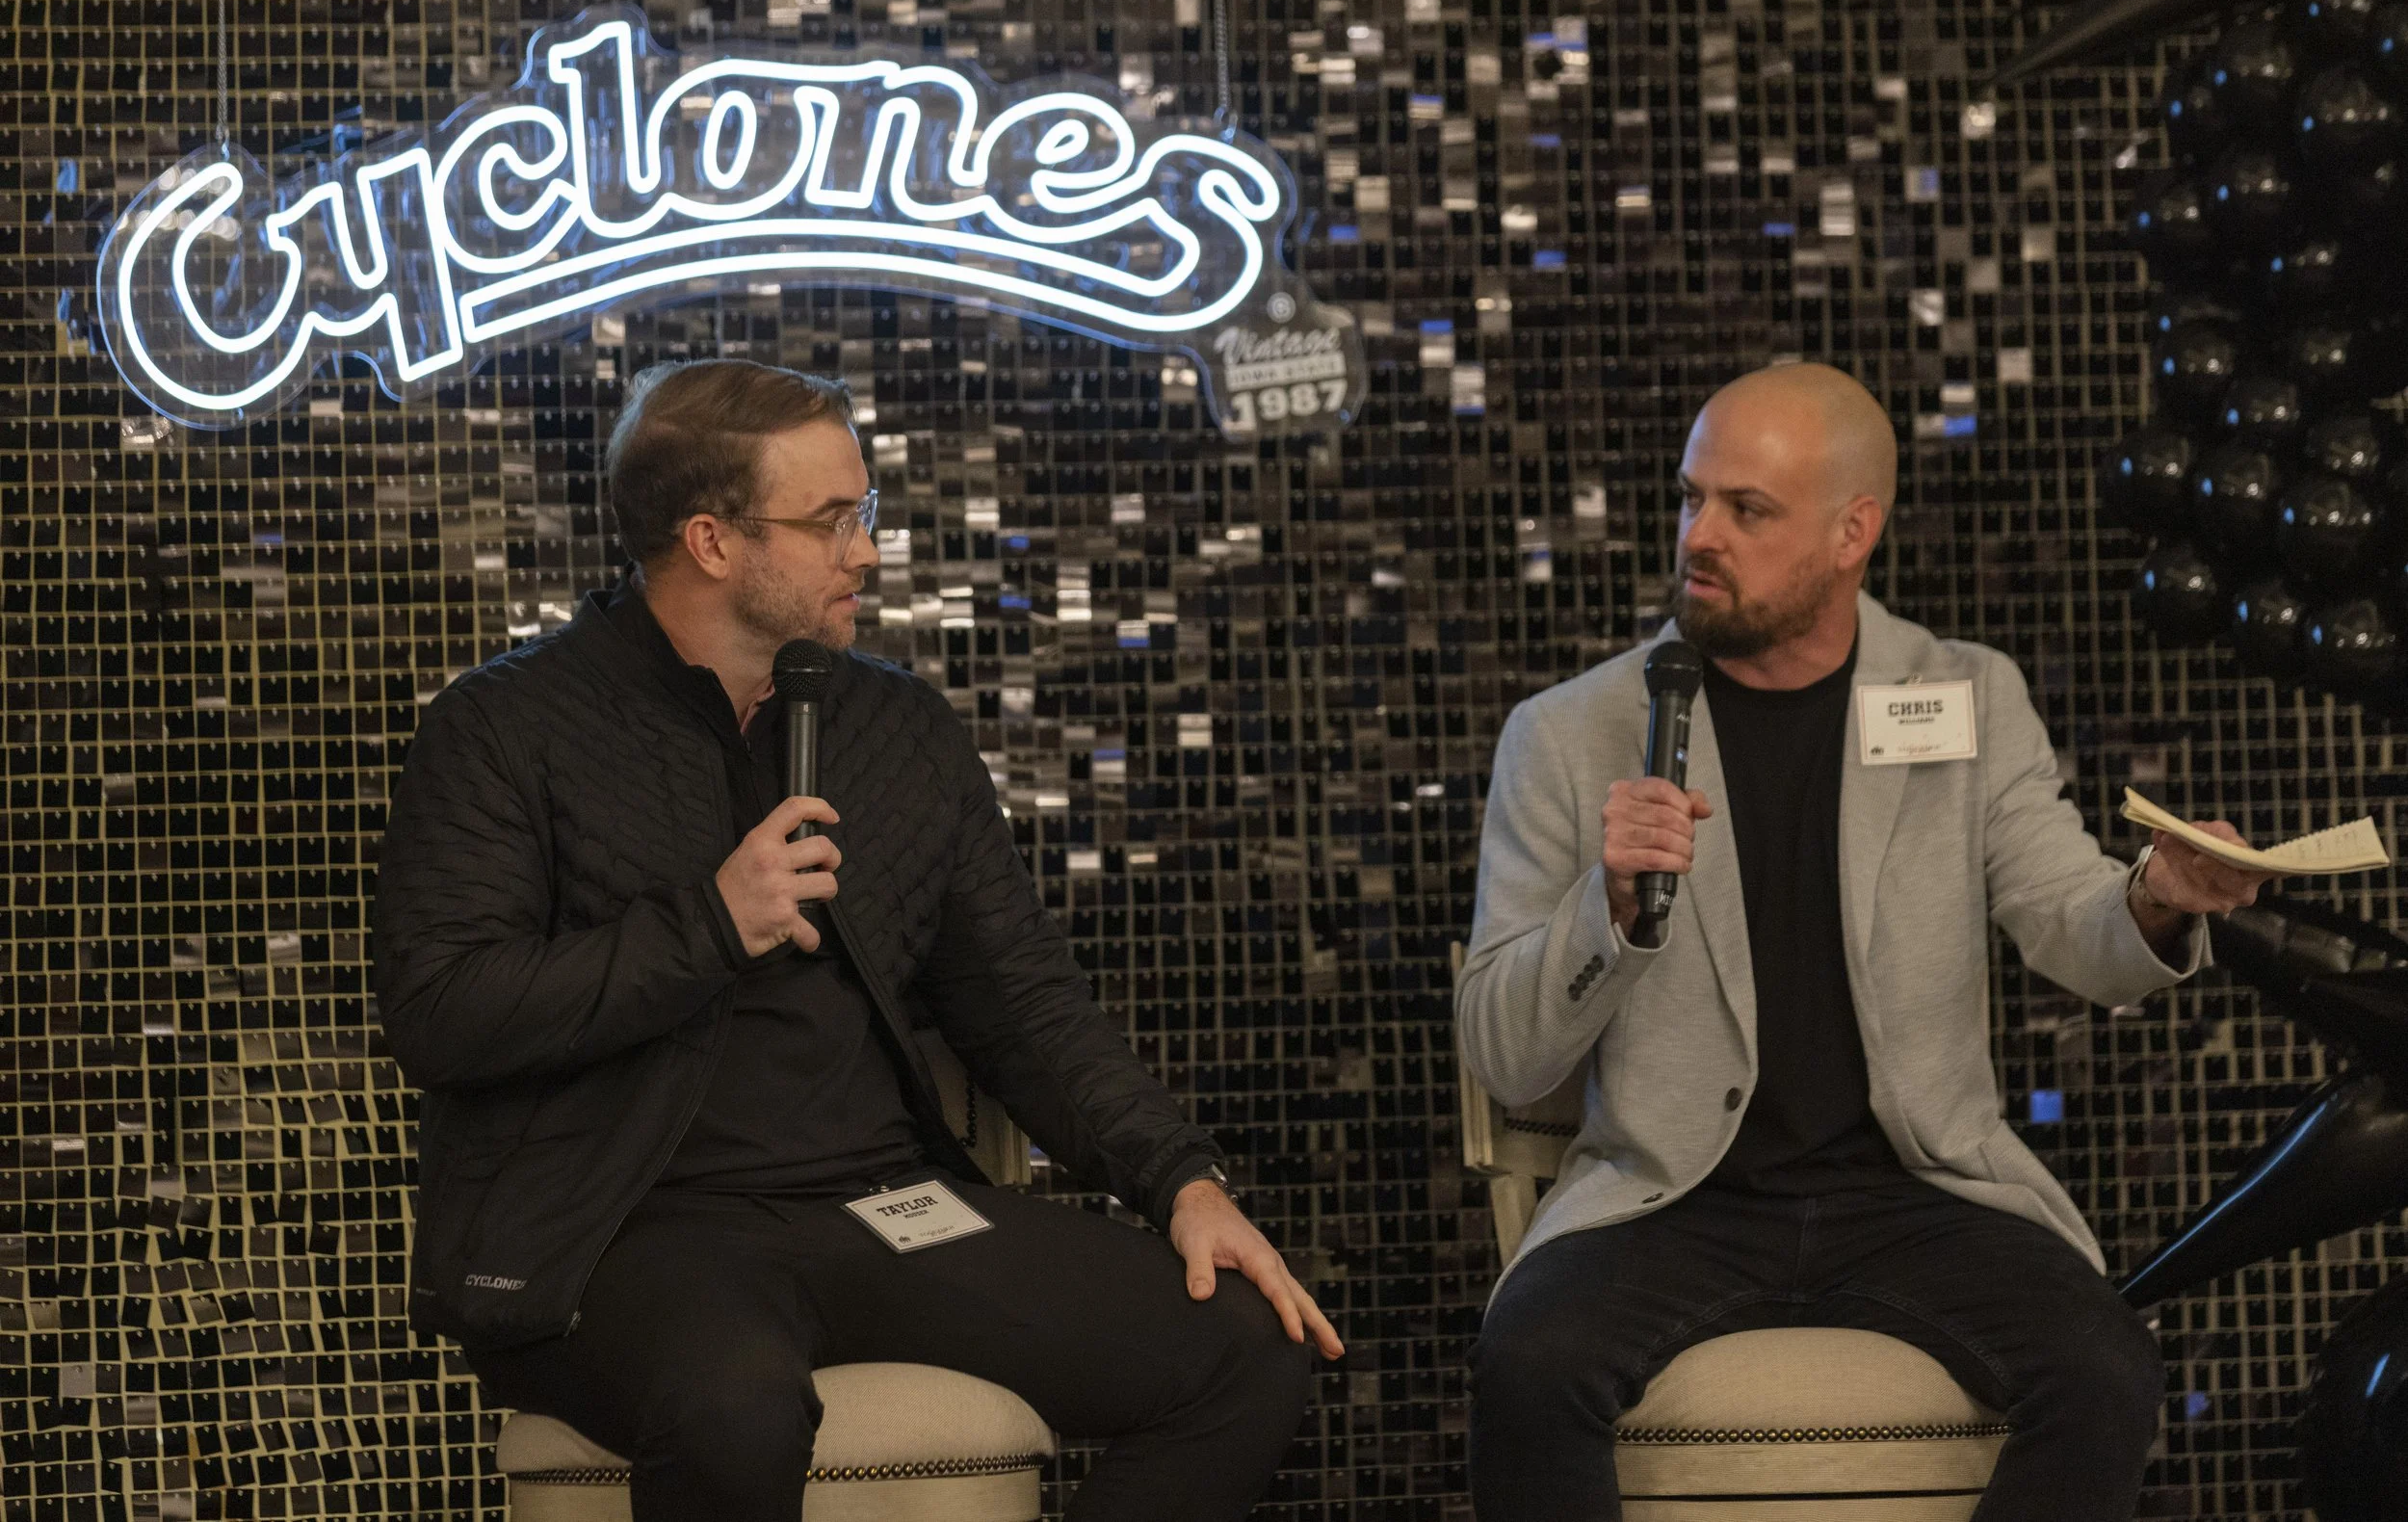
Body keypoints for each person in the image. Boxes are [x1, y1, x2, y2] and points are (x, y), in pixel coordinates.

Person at [372, 358, 1342, 1522]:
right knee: (736, 1408)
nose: (867, 552)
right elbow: (443, 1011)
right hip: (625, 1235)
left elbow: (1026, 1007)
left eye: (862, 512)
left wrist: (1180, 1180)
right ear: (711, 541)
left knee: (1249, 1344)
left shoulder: (895, 728)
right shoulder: (505, 726)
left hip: (881, 1211)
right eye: (831, 520)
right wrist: (709, 923)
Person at [1455, 362, 2268, 1519]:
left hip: (1916, 1192)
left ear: (1852, 533)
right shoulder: (1569, 731)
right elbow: (1503, 1054)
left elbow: (2067, 921)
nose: (1699, 536)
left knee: (2104, 1373)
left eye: (1747, 509)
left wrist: (2157, 896)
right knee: (1528, 1370)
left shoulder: (1964, 695)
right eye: (1691, 497)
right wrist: (1612, 906)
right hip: (1675, 1197)